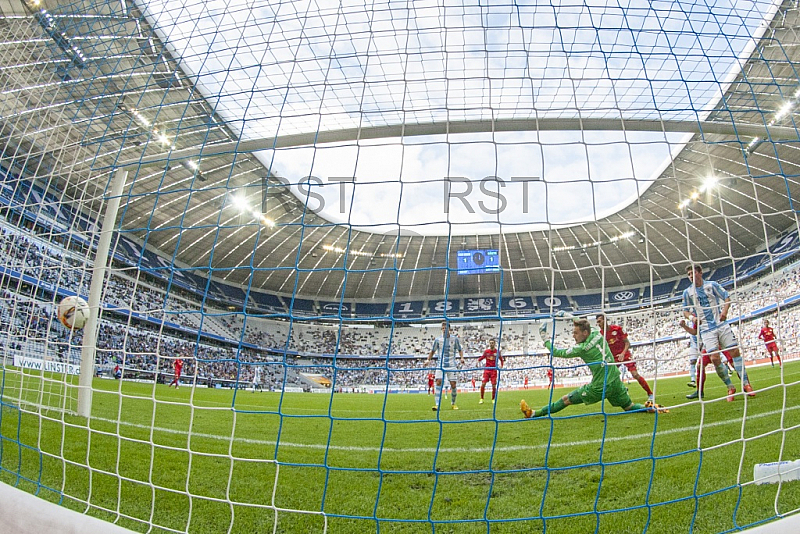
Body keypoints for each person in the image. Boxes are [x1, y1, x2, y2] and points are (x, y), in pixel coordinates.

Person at [521, 317, 666, 418]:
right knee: (628, 407)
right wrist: (568, 316)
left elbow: (556, 352)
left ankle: (534, 413)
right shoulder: (597, 333)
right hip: (615, 380)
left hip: (600, 387)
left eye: (576, 333)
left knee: (566, 399)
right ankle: (651, 407)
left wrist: (545, 337)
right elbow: (583, 323)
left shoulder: (581, 348)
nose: (573, 336)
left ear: (584, 333)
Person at [682, 264, 755, 398]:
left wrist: (725, 312)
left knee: (735, 352)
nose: (691, 276)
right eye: (689, 275)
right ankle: (730, 387)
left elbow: (727, 298)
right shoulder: (687, 293)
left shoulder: (712, 285)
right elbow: (685, 311)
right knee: (714, 358)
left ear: (700, 272)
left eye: (693, 273)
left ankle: (746, 384)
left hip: (721, 325)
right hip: (706, 330)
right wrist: (692, 317)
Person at [596, 314, 654, 403]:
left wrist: (623, 353)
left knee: (635, 374)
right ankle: (622, 388)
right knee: (611, 378)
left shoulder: (617, 329)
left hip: (625, 354)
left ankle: (650, 394)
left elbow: (627, 343)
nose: (598, 323)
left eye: (599, 321)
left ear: (605, 320)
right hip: (613, 357)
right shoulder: (600, 334)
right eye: (597, 322)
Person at [680, 318, 736, 400]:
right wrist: (685, 326)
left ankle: (746, 384)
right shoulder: (697, 315)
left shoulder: (712, 310)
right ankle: (700, 391)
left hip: (722, 339)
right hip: (710, 343)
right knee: (700, 365)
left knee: (733, 362)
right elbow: (695, 331)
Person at [425, 322, 465, 411]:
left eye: (446, 328)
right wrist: (428, 360)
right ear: (441, 329)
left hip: (452, 365)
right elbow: (432, 351)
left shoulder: (454, 339)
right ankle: (437, 404)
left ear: (449, 329)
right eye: (443, 328)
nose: (444, 329)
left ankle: (453, 404)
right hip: (440, 365)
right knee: (438, 382)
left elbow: (460, 349)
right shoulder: (438, 340)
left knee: (453, 384)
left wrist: (462, 358)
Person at [477, 338, 504, 404]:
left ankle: (493, 399)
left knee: (493, 385)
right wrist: (478, 361)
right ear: (489, 344)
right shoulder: (486, 351)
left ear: (494, 344)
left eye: (492, 343)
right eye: (490, 343)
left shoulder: (497, 352)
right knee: (483, 384)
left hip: (494, 370)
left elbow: (501, 359)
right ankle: (481, 398)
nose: (491, 344)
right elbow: (482, 357)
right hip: (487, 370)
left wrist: (501, 365)